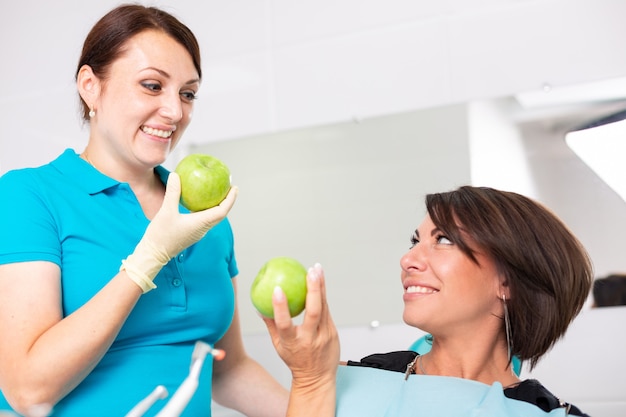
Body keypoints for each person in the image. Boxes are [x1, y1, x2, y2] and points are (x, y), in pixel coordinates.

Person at [0, 5, 288, 417]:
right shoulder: (29, 195)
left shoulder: (201, 215)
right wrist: (147, 259)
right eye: (152, 86)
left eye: (187, 93)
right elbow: (29, 390)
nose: (175, 111)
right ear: (90, 86)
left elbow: (229, 370)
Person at [264, 186, 593, 416]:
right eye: (415, 241)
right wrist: (309, 383)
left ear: (506, 281)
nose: (408, 259)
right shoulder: (334, 380)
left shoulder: (549, 414)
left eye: (444, 240)